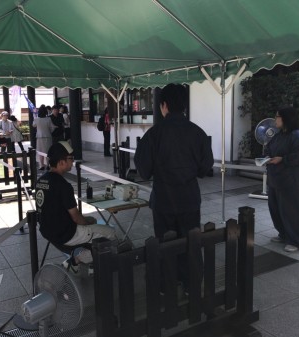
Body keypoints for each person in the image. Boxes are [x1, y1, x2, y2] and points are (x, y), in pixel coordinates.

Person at [134, 83, 214, 292]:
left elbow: (143, 170)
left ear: (164, 105)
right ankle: (191, 283)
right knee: (191, 242)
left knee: (164, 243)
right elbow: (206, 167)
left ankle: (166, 284)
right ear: (184, 106)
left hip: (163, 200)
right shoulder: (198, 133)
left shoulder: (154, 134)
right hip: (189, 199)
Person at [35, 141, 116, 267]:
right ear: (61, 162)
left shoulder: (41, 181)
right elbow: (76, 217)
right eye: (70, 159)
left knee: (92, 220)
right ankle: (77, 260)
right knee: (111, 233)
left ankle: (83, 252)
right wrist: (87, 223)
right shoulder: (63, 185)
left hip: (47, 231)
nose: (72, 162)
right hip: (66, 233)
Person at [266, 106, 299, 252]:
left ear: (286, 118)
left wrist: (283, 159)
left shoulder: (297, 136)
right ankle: (283, 234)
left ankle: (295, 241)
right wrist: (266, 158)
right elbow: (269, 149)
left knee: (291, 211)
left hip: (289, 180)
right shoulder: (278, 135)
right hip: (274, 179)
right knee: (275, 210)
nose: (275, 119)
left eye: (277, 116)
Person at [33, 105, 54, 170]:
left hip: (39, 137)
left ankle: (41, 165)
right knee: (48, 151)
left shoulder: (36, 119)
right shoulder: (48, 119)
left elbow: (33, 125)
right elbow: (52, 127)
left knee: (40, 151)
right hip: (47, 136)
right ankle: (48, 165)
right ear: (45, 112)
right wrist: (49, 131)